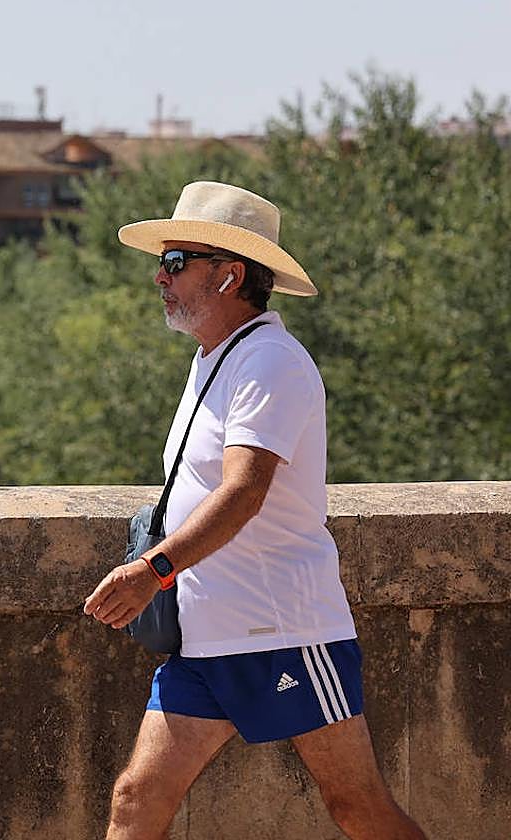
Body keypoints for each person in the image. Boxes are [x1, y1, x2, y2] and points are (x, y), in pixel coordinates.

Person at [82, 182, 426, 840]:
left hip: (283, 633)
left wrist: (152, 569)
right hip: (209, 637)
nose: (159, 275)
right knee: (135, 799)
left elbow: (243, 492)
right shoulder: (215, 358)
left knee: (358, 807)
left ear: (229, 275)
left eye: (177, 261)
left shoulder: (271, 362)